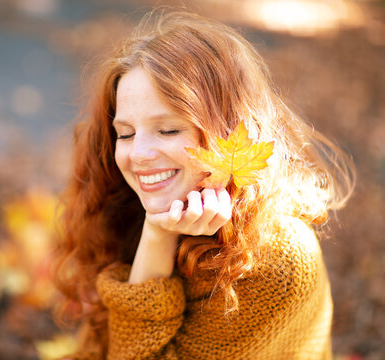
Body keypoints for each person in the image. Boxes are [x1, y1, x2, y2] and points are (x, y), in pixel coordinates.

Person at [52, 10, 355, 360]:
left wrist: (156, 241)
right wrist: (156, 234)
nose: (139, 154)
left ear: (228, 132)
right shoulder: (128, 208)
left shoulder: (277, 261)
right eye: (126, 133)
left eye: (168, 130)